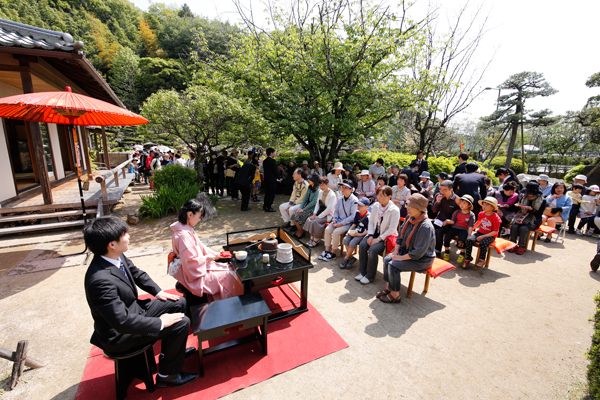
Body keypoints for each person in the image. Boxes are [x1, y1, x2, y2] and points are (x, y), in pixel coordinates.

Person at [84, 216, 198, 388]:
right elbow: (122, 322)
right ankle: (167, 375)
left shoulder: (115, 256)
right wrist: (159, 322)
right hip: (119, 334)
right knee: (181, 323)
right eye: (124, 234)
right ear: (112, 244)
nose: (129, 236)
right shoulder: (99, 280)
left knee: (179, 304)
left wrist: (159, 292)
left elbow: (137, 274)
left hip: (133, 312)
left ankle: (172, 353)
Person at [171, 199, 243, 301]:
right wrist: (205, 258)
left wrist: (217, 254)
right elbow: (189, 261)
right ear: (190, 214)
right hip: (194, 276)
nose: (199, 220)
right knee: (230, 273)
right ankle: (232, 303)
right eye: (199, 217)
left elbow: (201, 247)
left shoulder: (185, 229)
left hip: (198, 268)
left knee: (229, 267)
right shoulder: (183, 235)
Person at [378, 193, 435, 303]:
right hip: (407, 251)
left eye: (411, 206)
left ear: (419, 208)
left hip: (421, 259)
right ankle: (389, 287)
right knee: (387, 259)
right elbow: (400, 236)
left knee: (393, 265)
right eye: (407, 205)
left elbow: (418, 252)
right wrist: (397, 250)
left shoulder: (425, 226)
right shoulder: (410, 218)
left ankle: (395, 295)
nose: (407, 208)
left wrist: (400, 258)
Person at [355, 186, 400, 284]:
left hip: (386, 237)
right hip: (374, 233)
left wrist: (378, 239)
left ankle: (370, 275)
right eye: (378, 195)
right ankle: (362, 272)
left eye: (382, 195)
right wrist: (370, 235)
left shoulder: (395, 210)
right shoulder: (375, 206)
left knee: (373, 249)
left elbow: (392, 229)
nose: (379, 198)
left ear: (389, 196)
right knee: (363, 245)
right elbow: (371, 222)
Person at [318, 181, 358, 262]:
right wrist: (334, 220)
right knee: (327, 229)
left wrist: (341, 223)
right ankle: (327, 250)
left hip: (348, 223)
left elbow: (353, 216)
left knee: (336, 232)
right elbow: (336, 211)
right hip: (338, 221)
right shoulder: (340, 198)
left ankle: (333, 253)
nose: (343, 189)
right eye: (342, 187)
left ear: (351, 189)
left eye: (346, 188)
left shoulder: (354, 200)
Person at [509, 181, 546, 255]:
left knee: (524, 228)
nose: (528, 194)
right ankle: (512, 243)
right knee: (514, 226)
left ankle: (522, 246)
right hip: (521, 217)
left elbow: (539, 214)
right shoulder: (523, 198)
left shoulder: (542, 200)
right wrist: (517, 206)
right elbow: (518, 209)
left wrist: (531, 210)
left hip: (534, 220)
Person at [464, 197, 501, 268]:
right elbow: (478, 222)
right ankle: (468, 257)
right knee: (469, 240)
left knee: (483, 244)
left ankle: (482, 259)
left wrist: (483, 236)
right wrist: (471, 230)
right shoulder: (481, 214)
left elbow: (495, 231)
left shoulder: (496, 217)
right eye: (483, 204)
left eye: (487, 205)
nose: (484, 206)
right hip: (480, 232)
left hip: (490, 235)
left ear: (493, 207)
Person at [441, 195, 476, 264]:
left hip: (463, 229)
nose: (461, 205)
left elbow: (470, 226)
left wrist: (469, 234)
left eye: (464, 203)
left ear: (469, 205)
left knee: (462, 240)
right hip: (454, 227)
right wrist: (448, 221)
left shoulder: (471, 214)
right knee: (447, 238)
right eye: (460, 203)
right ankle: (447, 251)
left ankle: (462, 253)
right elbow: (453, 221)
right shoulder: (457, 212)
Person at [304, 176, 337, 248]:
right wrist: (314, 214)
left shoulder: (332, 195)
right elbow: (317, 204)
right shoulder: (320, 192)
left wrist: (318, 217)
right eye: (320, 185)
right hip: (320, 212)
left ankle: (316, 239)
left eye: (323, 185)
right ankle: (311, 238)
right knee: (309, 219)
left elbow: (329, 209)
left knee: (314, 221)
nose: (321, 187)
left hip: (328, 215)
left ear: (328, 184)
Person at [339, 197, 371, 269]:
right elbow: (354, 224)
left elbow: (369, 230)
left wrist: (360, 235)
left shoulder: (369, 216)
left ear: (367, 207)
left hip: (363, 233)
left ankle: (346, 258)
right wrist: (349, 231)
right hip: (356, 231)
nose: (358, 207)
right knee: (345, 239)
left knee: (353, 242)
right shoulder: (357, 213)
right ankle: (351, 258)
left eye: (361, 205)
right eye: (358, 205)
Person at [432, 180, 460, 256]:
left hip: (450, 223)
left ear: (451, 190)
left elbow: (458, 215)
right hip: (439, 220)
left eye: (445, 190)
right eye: (441, 189)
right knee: (426, 226)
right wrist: (437, 202)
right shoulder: (438, 195)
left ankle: (437, 251)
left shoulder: (456, 200)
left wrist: (449, 221)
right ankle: (426, 248)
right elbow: (434, 211)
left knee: (439, 232)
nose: (442, 192)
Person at [290, 174, 321, 239]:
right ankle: (299, 231)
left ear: (314, 180)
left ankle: (301, 232)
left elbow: (313, 202)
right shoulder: (310, 187)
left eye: (310, 179)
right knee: (295, 215)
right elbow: (305, 198)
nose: (308, 180)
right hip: (307, 207)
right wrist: (301, 207)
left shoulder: (318, 190)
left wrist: (304, 209)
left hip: (313, 209)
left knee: (297, 216)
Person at [262, 148, 278, 212]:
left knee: (267, 193)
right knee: (271, 193)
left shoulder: (265, 161)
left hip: (267, 179)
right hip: (272, 179)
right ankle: (268, 206)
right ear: (271, 153)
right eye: (274, 152)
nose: (274, 154)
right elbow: (275, 171)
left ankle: (265, 205)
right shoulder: (272, 161)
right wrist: (279, 177)